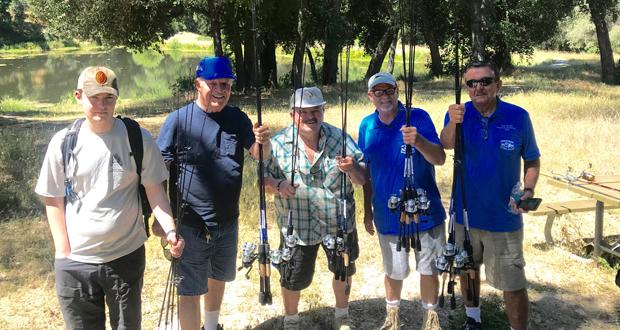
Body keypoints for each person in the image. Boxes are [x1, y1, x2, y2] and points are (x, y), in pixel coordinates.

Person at [35, 66, 184, 329]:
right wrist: (63, 253)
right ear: (78, 96)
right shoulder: (62, 143)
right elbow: (54, 200)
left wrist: (170, 230)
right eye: (94, 98)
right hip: (76, 264)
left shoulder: (137, 138)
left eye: (108, 98)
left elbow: (155, 190)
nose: (101, 106)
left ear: (117, 98)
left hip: (125, 257)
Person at [156, 56, 270, 330]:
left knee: (218, 277)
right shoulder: (178, 120)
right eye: (213, 84)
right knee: (189, 289)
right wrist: (162, 221)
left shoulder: (238, 118)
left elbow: (259, 155)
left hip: (227, 220)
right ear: (198, 84)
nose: (220, 90)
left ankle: (211, 325)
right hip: (190, 224)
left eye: (226, 84)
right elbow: (158, 174)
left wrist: (263, 142)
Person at [440, 61, 541, 330]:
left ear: (498, 84)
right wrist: (453, 121)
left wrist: (528, 191)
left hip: (504, 218)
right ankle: (473, 319)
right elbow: (446, 144)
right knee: (467, 270)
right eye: (471, 83)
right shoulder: (458, 113)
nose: (478, 87)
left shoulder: (518, 116)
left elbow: (532, 160)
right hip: (464, 214)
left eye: (485, 81)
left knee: (513, 283)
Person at [263, 86, 366, 330]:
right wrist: (279, 185)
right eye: (303, 112)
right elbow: (262, 181)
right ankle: (291, 320)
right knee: (292, 276)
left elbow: (362, 179)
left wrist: (351, 167)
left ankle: (342, 315)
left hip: (338, 222)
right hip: (297, 225)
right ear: (292, 115)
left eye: (316, 110)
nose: (311, 117)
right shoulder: (277, 144)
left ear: (323, 111)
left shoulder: (339, 139)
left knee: (342, 269)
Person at [358, 72, 447, 330]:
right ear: (370, 96)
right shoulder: (366, 126)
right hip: (387, 214)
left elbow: (439, 158)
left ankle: (430, 319)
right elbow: (367, 175)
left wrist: (418, 140)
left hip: (425, 211)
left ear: (398, 91)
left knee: (429, 268)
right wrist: (367, 210)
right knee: (394, 270)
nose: (385, 97)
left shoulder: (418, 117)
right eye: (378, 92)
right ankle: (392, 318)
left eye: (389, 91)